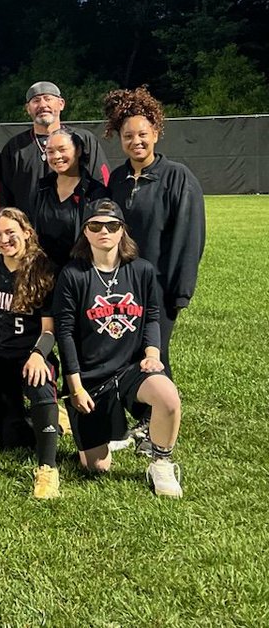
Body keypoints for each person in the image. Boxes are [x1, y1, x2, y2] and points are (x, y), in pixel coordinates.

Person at [53, 199, 184, 497]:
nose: (104, 232)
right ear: (85, 232)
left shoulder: (142, 271)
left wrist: (152, 354)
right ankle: (111, 433)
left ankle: (160, 463)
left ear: (122, 231)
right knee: (96, 467)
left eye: (112, 226)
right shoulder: (73, 275)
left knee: (168, 397)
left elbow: (152, 316)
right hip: (91, 377)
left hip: (129, 369)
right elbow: (65, 333)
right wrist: (75, 386)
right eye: (95, 226)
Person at [103, 87, 205, 381]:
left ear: (156, 133)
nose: (136, 141)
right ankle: (141, 413)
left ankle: (158, 420)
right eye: (128, 136)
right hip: (123, 282)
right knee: (129, 350)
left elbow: (189, 238)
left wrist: (180, 292)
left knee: (155, 352)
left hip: (159, 285)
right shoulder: (118, 180)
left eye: (143, 134)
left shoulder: (177, 176)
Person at [0, 208, 61, 499]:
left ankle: (48, 469)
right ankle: (48, 424)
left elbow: (49, 329)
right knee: (12, 441)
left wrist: (39, 354)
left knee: (40, 383)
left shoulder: (43, 268)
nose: (4, 239)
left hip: (28, 354)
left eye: (10, 232)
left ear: (26, 231)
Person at [0, 81, 109, 214]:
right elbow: (3, 193)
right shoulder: (15, 147)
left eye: (48, 98)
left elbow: (102, 181)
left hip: (76, 227)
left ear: (61, 104)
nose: (42, 105)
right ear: (28, 108)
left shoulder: (82, 139)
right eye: (36, 100)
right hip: (29, 229)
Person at [30, 127, 108, 270]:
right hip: (45, 275)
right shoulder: (42, 188)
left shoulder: (95, 192)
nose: (56, 156)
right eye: (50, 152)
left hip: (81, 273)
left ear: (78, 150)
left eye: (62, 149)